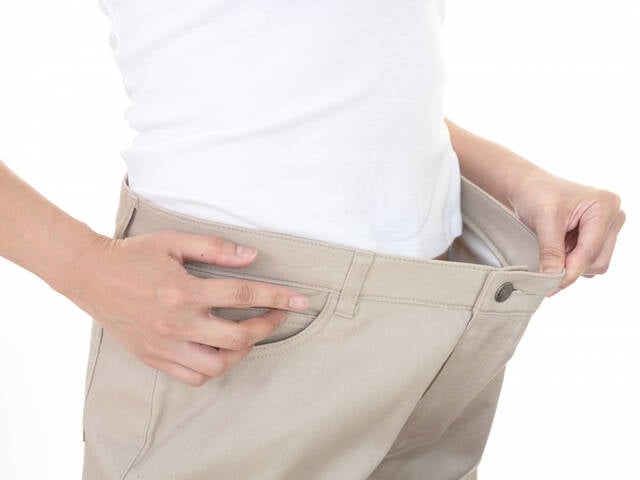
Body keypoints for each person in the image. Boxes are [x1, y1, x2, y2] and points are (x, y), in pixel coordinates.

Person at [0, 1, 625, 479]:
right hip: (241, 320)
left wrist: (517, 179)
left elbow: (342, 73)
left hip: (447, 303)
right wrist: (86, 266)